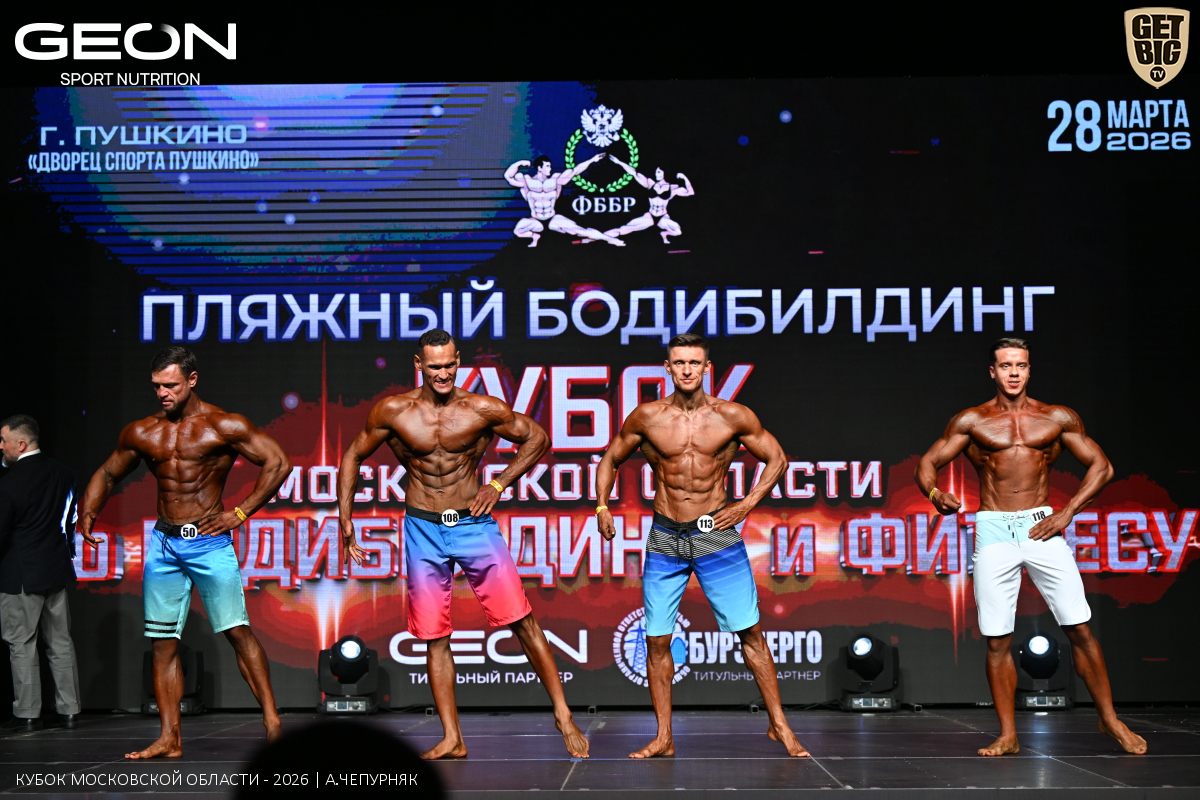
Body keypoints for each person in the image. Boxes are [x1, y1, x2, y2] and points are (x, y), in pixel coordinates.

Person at [337, 329, 588, 760]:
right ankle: (453, 737)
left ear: (459, 361)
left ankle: (563, 715)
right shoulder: (394, 411)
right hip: (422, 527)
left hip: (473, 523)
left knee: (521, 619)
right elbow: (352, 456)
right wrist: (345, 519)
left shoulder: (481, 409)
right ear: (419, 364)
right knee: (434, 635)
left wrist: (499, 483)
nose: (443, 374)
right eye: (434, 366)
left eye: (449, 365)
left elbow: (538, 438)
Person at [915, 337, 1147, 757]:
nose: (1014, 373)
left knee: (1079, 627)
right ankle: (1008, 735)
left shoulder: (1056, 417)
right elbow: (927, 464)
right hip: (993, 529)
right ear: (993, 372)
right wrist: (935, 494)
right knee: (997, 639)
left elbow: (1103, 466)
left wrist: (1067, 512)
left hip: (1042, 525)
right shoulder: (972, 420)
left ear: (1028, 369)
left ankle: (1110, 719)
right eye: (1006, 366)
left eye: (1020, 365)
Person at [596, 333, 808, 758]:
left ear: (707, 368)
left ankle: (780, 726)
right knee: (657, 640)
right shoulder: (648, 417)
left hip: (716, 534)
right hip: (665, 536)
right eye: (679, 363)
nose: (687, 370)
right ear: (667, 368)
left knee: (750, 633)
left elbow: (778, 458)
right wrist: (602, 505)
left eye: (694, 362)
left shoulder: (732, 416)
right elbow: (610, 458)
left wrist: (746, 504)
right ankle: (664, 737)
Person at [78, 346, 290, 758]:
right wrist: (89, 510)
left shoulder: (223, 425)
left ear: (192, 380)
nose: (163, 393)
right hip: (164, 543)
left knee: (236, 631)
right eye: (157, 386)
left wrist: (240, 513)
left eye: (171, 385)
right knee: (162, 643)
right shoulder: (144, 431)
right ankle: (169, 737)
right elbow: (108, 471)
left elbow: (278, 462)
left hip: (209, 542)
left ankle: (272, 723)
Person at [0, 415, 81, 731]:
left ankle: (27, 713)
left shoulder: (8, 482)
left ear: (20, 444)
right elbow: (70, 521)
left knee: (22, 642)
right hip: (56, 570)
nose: (1, 447)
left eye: (4, 441)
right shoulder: (64, 473)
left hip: (20, 574)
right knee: (60, 641)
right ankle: (69, 710)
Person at [503, 154, 625, 247]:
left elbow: (575, 171)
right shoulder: (527, 181)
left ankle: (610, 239)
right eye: (547, 166)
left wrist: (592, 160)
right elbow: (508, 176)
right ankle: (535, 237)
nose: (550, 168)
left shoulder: (555, 180)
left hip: (552, 218)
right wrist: (519, 163)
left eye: (550, 166)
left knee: (580, 230)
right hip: (535, 220)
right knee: (518, 231)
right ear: (539, 168)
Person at [602, 158, 694, 243]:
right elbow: (634, 173)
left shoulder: (672, 187)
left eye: (659, 172)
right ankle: (598, 237)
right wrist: (619, 162)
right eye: (656, 172)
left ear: (664, 172)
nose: (656, 174)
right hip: (649, 216)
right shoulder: (650, 183)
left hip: (663, 217)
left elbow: (690, 192)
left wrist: (684, 177)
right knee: (624, 229)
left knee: (678, 231)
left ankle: (664, 234)